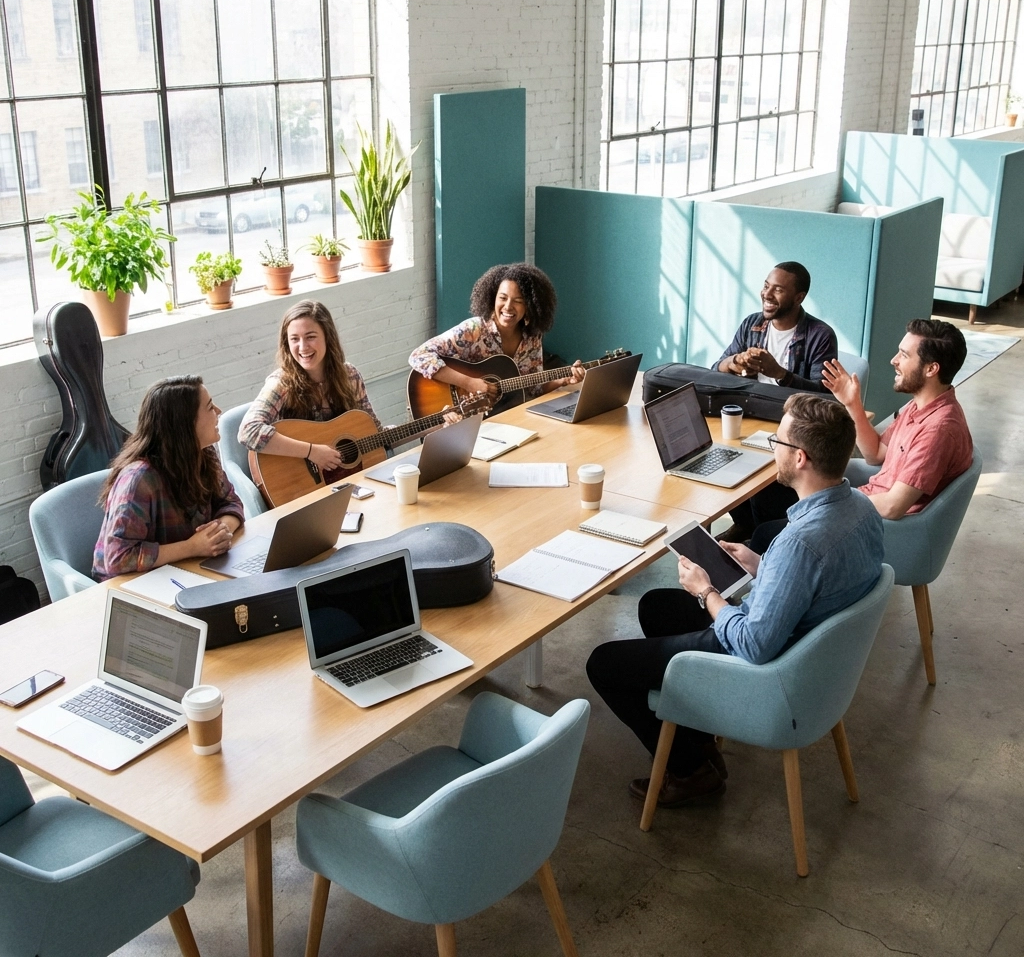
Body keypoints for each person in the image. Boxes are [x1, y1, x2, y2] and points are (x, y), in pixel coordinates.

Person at [586, 393, 883, 807]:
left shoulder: (800, 543)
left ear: (800, 458)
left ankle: (690, 771)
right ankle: (696, 737)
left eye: (777, 442)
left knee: (605, 664)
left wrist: (707, 591)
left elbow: (754, 645)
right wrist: (763, 566)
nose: (772, 448)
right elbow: (820, 582)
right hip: (812, 656)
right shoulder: (863, 509)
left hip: (772, 670)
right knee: (655, 606)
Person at [93, 375, 244, 580]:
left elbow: (230, 501)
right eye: (209, 407)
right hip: (138, 585)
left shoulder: (203, 455)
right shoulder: (138, 480)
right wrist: (192, 547)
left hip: (187, 570)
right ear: (185, 423)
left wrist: (220, 531)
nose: (218, 411)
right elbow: (117, 557)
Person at [823, 318, 973, 520]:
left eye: (904, 355)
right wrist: (852, 404)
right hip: (865, 502)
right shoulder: (920, 405)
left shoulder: (937, 430)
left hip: (874, 524)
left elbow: (892, 507)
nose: (894, 360)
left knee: (769, 527)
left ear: (931, 369)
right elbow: (875, 454)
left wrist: (830, 501)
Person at [239, 300, 383, 476]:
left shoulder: (350, 375)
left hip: (346, 479)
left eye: (310, 337)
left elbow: (374, 429)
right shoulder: (281, 383)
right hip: (297, 484)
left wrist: (417, 431)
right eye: (294, 339)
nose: (303, 347)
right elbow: (248, 431)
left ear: (327, 337)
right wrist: (312, 452)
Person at [408, 263, 586, 401]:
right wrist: (469, 383)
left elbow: (533, 388)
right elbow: (418, 356)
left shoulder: (532, 337)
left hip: (503, 417)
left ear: (530, 305)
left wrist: (563, 380)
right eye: (502, 298)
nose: (508, 307)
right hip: (462, 417)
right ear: (492, 298)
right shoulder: (474, 330)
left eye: (518, 301)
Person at [715, 261, 838, 392]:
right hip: (749, 405)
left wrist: (780, 374)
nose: (767, 295)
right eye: (766, 286)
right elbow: (716, 369)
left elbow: (823, 394)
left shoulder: (821, 335)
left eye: (778, 290)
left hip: (792, 411)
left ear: (799, 298)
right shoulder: (752, 323)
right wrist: (735, 362)